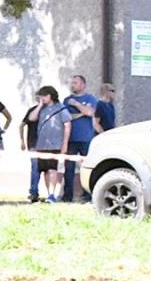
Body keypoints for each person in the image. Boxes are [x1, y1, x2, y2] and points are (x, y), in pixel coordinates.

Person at [26, 85, 73, 203]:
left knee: (53, 169)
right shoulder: (41, 108)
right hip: (41, 144)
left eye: (43, 96)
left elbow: (67, 126)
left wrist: (64, 144)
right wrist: (40, 105)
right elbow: (31, 118)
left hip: (55, 144)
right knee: (45, 170)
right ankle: (48, 194)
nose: (41, 99)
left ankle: (52, 194)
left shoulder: (61, 109)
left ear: (49, 96)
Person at [61, 74, 100, 202]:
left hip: (86, 138)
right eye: (72, 83)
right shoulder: (67, 100)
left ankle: (87, 195)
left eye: (76, 83)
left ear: (83, 84)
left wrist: (77, 105)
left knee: (88, 167)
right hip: (71, 139)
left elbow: (90, 112)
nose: (73, 85)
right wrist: (82, 113)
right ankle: (67, 196)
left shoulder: (90, 98)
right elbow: (67, 117)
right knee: (69, 168)